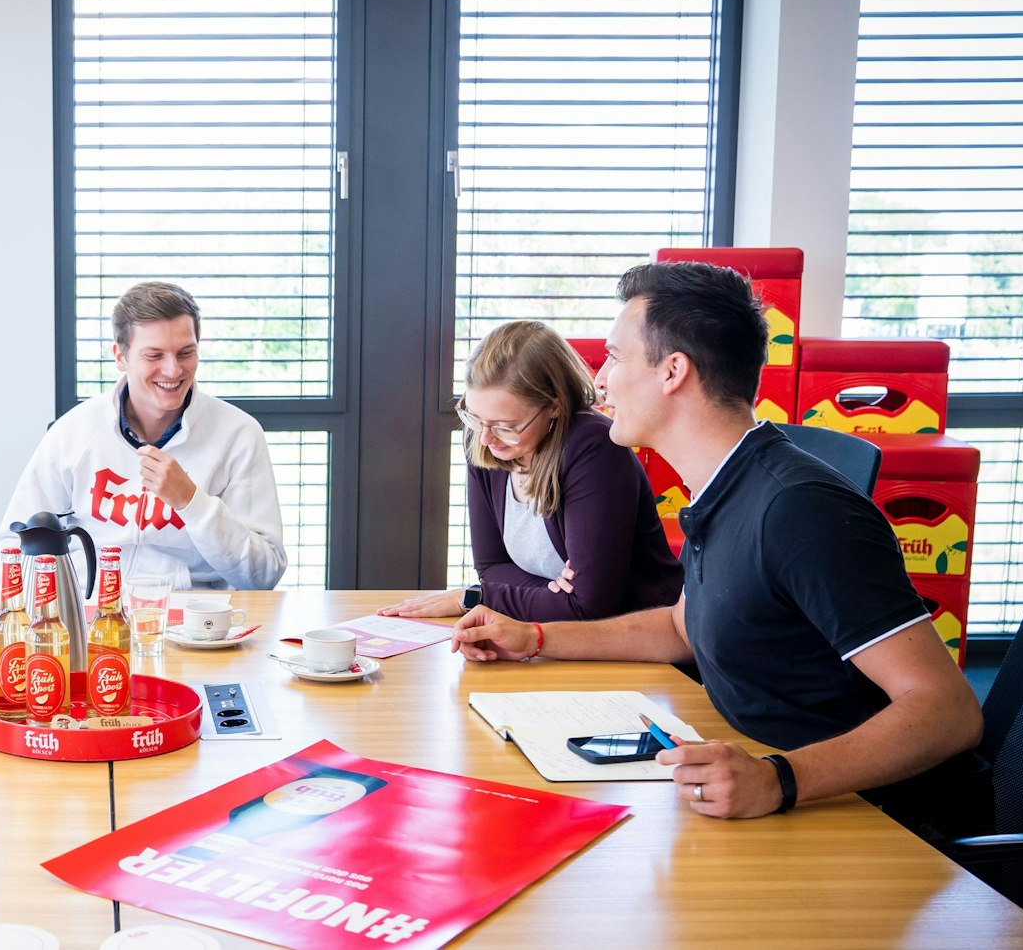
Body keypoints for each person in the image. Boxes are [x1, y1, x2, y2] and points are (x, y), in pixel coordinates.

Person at [450, 262, 987, 834]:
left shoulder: (799, 509)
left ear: (673, 372)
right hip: (765, 775)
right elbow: (682, 628)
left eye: (616, 357)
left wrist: (780, 778)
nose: (601, 380)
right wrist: (533, 638)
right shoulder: (723, 488)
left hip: (880, 821)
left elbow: (948, 712)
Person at [379, 320, 681, 622]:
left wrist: (478, 597)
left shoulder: (595, 447)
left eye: (507, 426)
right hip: (556, 635)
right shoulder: (484, 437)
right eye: (475, 417)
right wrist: (551, 596)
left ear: (555, 406)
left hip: (638, 639)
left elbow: (590, 607)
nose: (486, 438)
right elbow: (491, 567)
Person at [0, 281, 286, 590]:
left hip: (194, 624)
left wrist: (191, 501)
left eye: (185, 353)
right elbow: (9, 552)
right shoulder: (72, 433)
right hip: (90, 616)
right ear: (120, 356)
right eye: (154, 355)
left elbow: (263, 575)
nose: (173, 370)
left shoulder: (239, 434)